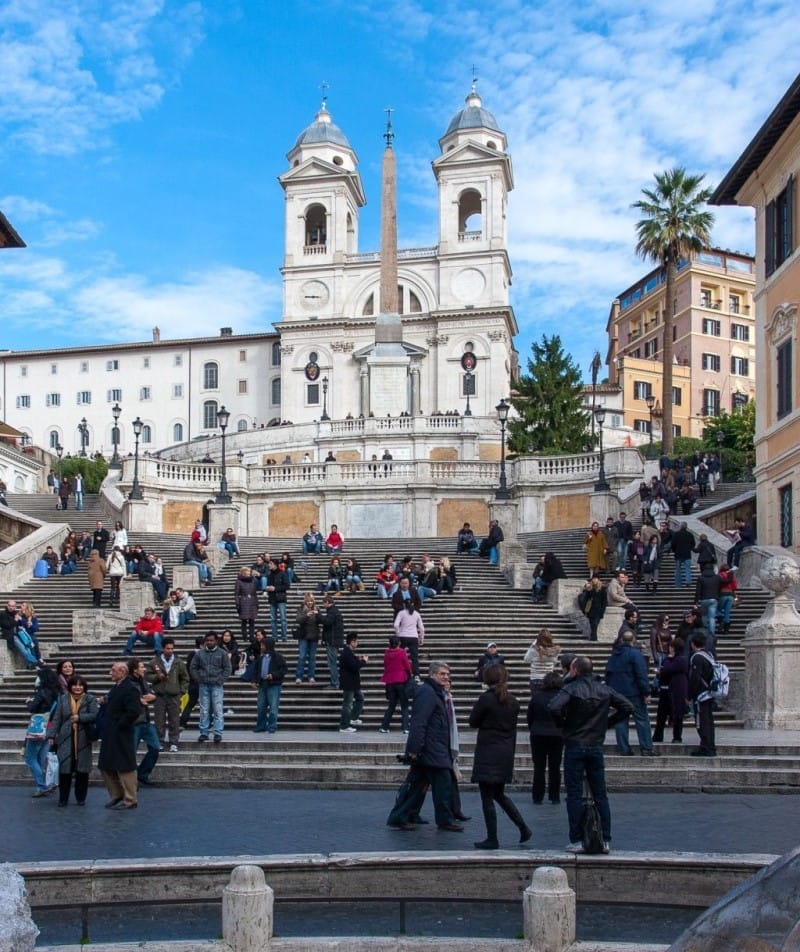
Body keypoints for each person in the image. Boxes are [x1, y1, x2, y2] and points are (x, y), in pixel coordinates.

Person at [549, 656, 633, 853]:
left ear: (575, 670)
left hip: (575, 744)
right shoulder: (604, 689)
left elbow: (553, 706)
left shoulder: (571, 688)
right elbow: (628, 706)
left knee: (574, 794)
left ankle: (577, 839)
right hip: (595, 744)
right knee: (600, 794)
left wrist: (564, 724)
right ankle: (605, 839)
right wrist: (606, 723)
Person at [469, 664, 532, 850]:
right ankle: (522, 827)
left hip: (488, 750)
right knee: (498, 794)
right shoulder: (513, 701)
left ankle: (492, 837)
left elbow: (473, 721)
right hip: (505, 751)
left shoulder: (486, 699)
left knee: (487, 796)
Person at [402, 661, 462, 831]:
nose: (446, 677)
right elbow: (419, 722)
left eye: (448, 674)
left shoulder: (435, 692)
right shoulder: (428, 693)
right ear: (432, 674)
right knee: (443, 783)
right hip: (431, 748)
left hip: (433, 747)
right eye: (442, 674)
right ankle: (445, 820)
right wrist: (413, 749)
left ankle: (400, 816)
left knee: (416, 786)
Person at [97, 660, 142, 810]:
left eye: (113, 670)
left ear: (122, 672)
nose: (110, 673)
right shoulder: (116, 688)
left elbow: (133, 711)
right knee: (106, 765)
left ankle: (130, 798)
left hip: (121, 732)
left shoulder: (130, 689)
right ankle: (117, 794)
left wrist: (120, 724)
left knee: (125, 766)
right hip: (111, 732)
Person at [47, 674, 97, 806]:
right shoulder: (63, 699)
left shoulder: (90, 699)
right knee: (65, 769)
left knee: (82, 770)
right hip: (65, 738)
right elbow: (57, 718)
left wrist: (80, 718)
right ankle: (63, 798)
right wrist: (51, 735)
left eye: (80, 685)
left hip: (83, 738)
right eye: (75, 685)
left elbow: (94, 715)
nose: (77, 687)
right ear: (70, 686)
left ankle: (81, 798)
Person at [604, 631, 657, 757]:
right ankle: (646, 747)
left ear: (621, 640)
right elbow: (641, 674)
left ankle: (624, 749)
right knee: (642, 719)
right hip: (634, 692)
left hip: (617, 693)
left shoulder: (614, 655)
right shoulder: (635, 654)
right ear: (633, 640)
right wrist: (646, 691)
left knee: (621, 721)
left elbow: (608, 674)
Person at [527, 670, 564, 805]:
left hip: (538, 733)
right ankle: (554, 796)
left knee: (539, 767)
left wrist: (533, 728)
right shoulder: (562, 696)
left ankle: (537, 796)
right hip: (557, 734)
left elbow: (530, 716)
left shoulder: (537, 696)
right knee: (555, 766)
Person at [147, 639, 189, 752]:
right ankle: (160, 741)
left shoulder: (178, 662)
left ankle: (174, 742)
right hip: (160, 695)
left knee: (174, 720)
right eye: (167, 648)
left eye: (171, 649)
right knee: (159, 720)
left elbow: (185, 678)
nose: (170, 651)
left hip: (174, 695)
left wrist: (181, 691)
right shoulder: (154, 662)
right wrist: (156, 678)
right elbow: (147, 675)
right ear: (163, 648)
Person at [190, 631, 232, 744]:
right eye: (207, 640)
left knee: (218, 709)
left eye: (211, 640)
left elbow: (228, 668)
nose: (209, 642)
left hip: (216, 685)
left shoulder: (222, 653)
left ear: (216, 641)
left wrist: (220, 680)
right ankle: (204, 732)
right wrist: (198, 679)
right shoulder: (199, 654)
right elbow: (193, 667)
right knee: (204, 709)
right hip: (204, 684)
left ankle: (217, 733)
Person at [25, 666, 60, 797]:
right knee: (41, 757)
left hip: (38, 728)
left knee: (30, 757)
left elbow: (32, 708)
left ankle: (41, 785)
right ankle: (45, 783)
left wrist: (28, 702)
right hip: (50, 727)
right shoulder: (57, 692)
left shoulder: (41, 692)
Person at [128, 658, 160, 786]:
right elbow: (129, 698)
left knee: (155, 747)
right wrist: (140, 698)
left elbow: (151, 696)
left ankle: (142, 773)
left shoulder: (143, 681)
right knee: (131, 752)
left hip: (145, 720)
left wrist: (151, 697)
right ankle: (130, 777)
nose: (144, 669)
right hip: (134, 722)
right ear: (135, 669)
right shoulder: (128, 683)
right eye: (141, 667)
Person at [246, 636, 287, 733]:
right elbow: (256, 670)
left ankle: (272, 726)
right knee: (261, 707)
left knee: (273, 707)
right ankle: (261, 726)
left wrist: (273, 675)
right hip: (262, 684)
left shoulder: (278, 657)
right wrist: (253, 681)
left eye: (263, 645)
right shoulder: (261, 658)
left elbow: (283, 670)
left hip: (273, 685)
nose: (261, 647)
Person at [653, 638, 688, 744]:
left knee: (677, 715)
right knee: (661, 715)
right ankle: (658, 735)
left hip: (676, 690)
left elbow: (668, 669)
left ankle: (677, 736)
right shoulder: (668, 659)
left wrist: (666, 663)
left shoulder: (681, 659)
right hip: (665, 689)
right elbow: (663, 671)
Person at [688, 633, 717, 757]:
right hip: (709, 692)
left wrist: (689, 695)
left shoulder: (697, 657)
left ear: (693, 644)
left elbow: (695, 677)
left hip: (701, 694)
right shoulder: (709, 655)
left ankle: (706, 747)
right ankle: (710, 745)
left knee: (702, 721)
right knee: (708, 720)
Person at [379, 636, 412, 733]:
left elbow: (385, 665)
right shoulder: (401, 652)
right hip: (401, 680)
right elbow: (406, 665)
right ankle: (406, 727)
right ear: (399, 643)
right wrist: (410, 674)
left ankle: (384, 727)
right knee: (404, 705)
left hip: (390, 681)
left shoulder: (387, 653)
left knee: (391, 705)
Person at [339, 632, 368, 732]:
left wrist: (358, 659)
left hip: (353, 683)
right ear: (352, 642)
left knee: (360, 698)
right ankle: (344, 726)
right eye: (356, 642)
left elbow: (353, 662)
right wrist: (363, 661)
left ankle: (353, 718)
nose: (357, 644)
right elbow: (354, 667)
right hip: (349, 683)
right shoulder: (346, 653)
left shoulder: (349, 652)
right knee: (347, 704)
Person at [393, 600, 425, 679]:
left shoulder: (401, 613)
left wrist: (398, 634)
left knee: (399, 655)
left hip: (403, 636)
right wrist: (421, 638)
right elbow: (421, 628)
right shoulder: (417, 614)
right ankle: (416, 675)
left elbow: (396, 625)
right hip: (413, 637)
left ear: (404, 604)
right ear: (413, 604)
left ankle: (399, 672)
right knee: (414, 657)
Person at [294, 592, 321, 683]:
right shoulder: (301, 608)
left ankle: (311, 676)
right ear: (305, 601)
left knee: (312, 657)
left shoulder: (317, 608)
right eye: (308, 601)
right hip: (304, 636)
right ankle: (299, 676)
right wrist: (307, 615)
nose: (310, 603)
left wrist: (318, 615)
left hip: (314, 636)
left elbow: (321, 620)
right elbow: (298, 619)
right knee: (302, 656)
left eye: (311, 601)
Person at [321, 593, 344, 689]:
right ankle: (335, 682)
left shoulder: (332, 612)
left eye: (324, 603)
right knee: (332, 661)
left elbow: (327, 622)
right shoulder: (334, 611)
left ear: (327, 602)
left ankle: (335, 682)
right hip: (334, 640)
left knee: (332, 662)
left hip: (332, 641)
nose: (323, 605)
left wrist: (318, 616)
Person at [266, 558, 290, 642]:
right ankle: (274, 637)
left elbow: (287, 586)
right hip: (272, 598)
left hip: (280, 599)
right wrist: (268, 588)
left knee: (283, 619)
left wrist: (275, 588)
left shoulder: (282, 574)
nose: (269, 565)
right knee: (273, 620)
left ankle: (284, 637)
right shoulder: (269, 575)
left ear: (275, 564)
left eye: (270, 563)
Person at [695, 562, 722, 636]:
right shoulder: (717, 577)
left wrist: (696, 601)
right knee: (712, 617)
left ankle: (705, 631)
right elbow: (719, 588)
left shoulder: (701, 578)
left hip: (704, 599)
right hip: (714, 599)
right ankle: (712, 634)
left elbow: (698, 590)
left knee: (704, 616)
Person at [234, 566, 259, 643]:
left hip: (252, 601)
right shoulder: (239, 581)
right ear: (244, 572)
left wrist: (257, 602)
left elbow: (255, 592)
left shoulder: (252, 580)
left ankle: (251, 636)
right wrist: (237, 604)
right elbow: (236, 594)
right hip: (243, 601)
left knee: (252, 620)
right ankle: (244, 636)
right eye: (248, 571)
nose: (249, 573)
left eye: (249, 571)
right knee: (244, 620)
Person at [578, 576, 607, 642]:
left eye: (595, 579)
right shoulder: (590, 589)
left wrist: (602, 611)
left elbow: (604, 601)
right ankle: (593, 636)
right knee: (592, 624)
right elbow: (585, 599)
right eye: (593, 579)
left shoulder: (602, 589)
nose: (594, 580)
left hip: (598, 609)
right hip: (590, 610)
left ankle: (593, 637)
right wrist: (588, 590)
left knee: (595, 623)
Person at [716, 564, 738, 634]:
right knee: (727, 612)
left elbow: (717, 585)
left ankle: (721, 619)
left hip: (722, 594)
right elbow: (734, 586)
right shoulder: (732, 576)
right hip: (731, 595)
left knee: (717, 609)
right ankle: (726, 630)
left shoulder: (719, 575)